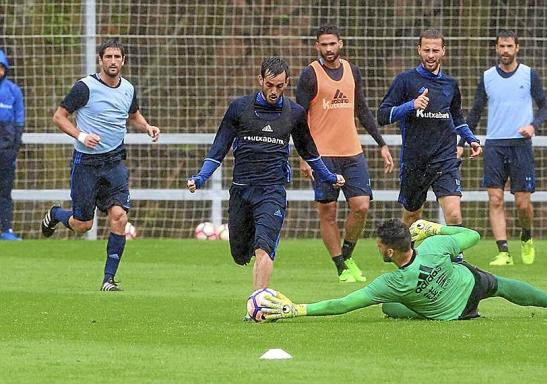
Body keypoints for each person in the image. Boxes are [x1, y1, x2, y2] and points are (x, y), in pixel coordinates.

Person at [187, 57, 345, 291]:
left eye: (280, 86)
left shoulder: (295, 113)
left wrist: (330, 177)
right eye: (270, 85)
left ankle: (257, 303)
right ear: (260, 79)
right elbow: (219, 148)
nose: (274, 91)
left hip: (272, 191)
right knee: (240, 253)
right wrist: (201, 177)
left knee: (264, 247)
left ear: (287, 83)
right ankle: (250, 254)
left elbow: (309, 152)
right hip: (242, 190)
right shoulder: (239, 108)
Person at [260, 219, 547, 321]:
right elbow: (473, 235)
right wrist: (434, 229)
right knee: (504, 285)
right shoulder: (434, 246)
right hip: (470, 283)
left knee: (390, 306)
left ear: (390, 251)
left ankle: (424, 308)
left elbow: (344, 303)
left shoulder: (390, 281)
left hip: (452, 315)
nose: (375, 246)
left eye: (377, 244)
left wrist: (297, 309)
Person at [42, 38, 161, 291]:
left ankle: (109, 279)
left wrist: (147, 126)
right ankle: (55, 214)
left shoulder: (128, 88)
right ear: (100, 60)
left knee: (119, 216)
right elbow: (58, 117)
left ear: (124, 61)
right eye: (108, 57)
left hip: (114, 162)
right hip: (86, 163)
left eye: (117, 57)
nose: (113, 62)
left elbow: (132, 114)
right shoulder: (84, 87)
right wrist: (81, 135)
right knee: (83, 224)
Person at [296, 25, 394, 283]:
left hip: (352, 152)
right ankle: (340, 267)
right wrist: (303, 156)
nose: (329, 49)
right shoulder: (310, 75)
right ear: (317, 46)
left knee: (361, 206)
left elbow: (361, 109)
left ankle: (348, 254)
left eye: (332, 44)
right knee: (328, 210)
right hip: (322, 154)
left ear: (341, 43)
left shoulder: (352, 71)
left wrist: (381, 144)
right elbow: (298, 118)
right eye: (323, 45)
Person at [378, 29, 482, 263]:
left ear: (443, 51)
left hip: (444, 158)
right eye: (427, 50)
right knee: (412, 217)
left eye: (436, 50)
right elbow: (382, 115)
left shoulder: (450, 84)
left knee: (454, 213)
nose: (431, 54)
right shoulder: (405, 81)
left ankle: (457, 264)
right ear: (419, 50)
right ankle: (405, 263)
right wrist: (411, 105)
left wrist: (471, 139)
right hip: (415, 160)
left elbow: (456, 118)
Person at [466, 29, 547, 266]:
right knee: (495, 199)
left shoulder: (528, 75)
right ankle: (503, 251)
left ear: (517, 48)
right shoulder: (487, 77)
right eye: (501, 46)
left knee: (523, 203)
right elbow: (476, 111)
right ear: (496, 48)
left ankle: (526, 236)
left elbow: (544, 107)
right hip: (494, 145)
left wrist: (533, 126)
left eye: (509, 46)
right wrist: (464, 140)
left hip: (520, 145)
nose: (505, 51)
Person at [0, 49, 25, 240]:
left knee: (5, 191)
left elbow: (19, 122)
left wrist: (13, 149)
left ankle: (6, 230)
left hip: (6, 152)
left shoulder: (13, 90)